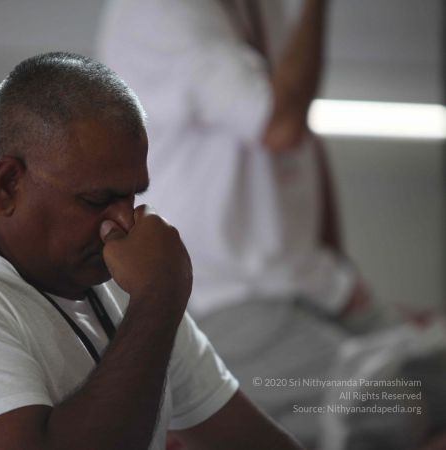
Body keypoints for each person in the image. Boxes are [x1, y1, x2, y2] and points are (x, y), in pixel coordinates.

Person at [0, 52, 303, 449]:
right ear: (7, 185)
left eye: (133, 197)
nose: (124, 222)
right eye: (97, 200)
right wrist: (159, 299)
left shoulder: (122, 285)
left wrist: (153, 302)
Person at [96, 0, 412, 446]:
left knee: (428, 382)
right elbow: (280, 122)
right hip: (224, 298)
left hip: (305, 281)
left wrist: (335, 270)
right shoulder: (160, 10)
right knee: (401, 408)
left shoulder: (262, 9)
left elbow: (292, 149)